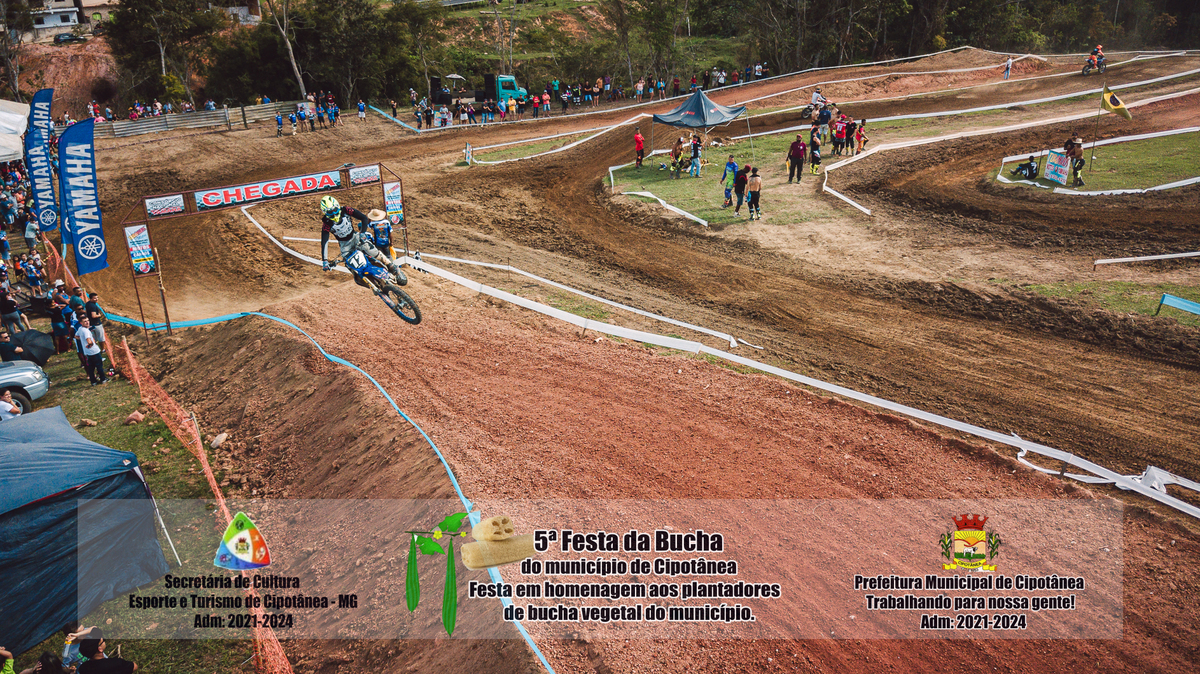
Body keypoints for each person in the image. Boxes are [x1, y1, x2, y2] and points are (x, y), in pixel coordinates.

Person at [318, 195, 405, 286]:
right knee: (351, 266)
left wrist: (362, 233)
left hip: (355, 237)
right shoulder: (326, 224)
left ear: (338, 207)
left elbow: (363, 218)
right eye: (330, 212)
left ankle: (393, 268)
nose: (334, 214)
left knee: (372, 251)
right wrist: (325, 260)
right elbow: (324, 242)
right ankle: (370, 285)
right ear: (325, 213)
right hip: (345, 245)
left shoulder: (346, 210)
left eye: (335, 210)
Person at [77, 315, 106, 385]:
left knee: (91, 367)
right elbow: (89, 341)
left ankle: (93, 381)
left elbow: (76, 336)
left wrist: (82, 340)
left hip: (87, 352)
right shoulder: (86, 331)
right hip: (94, 351)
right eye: (85, 321)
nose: (87, 322)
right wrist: (91, 344)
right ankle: (103, 379)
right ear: (81, 323)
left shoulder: (80, 329)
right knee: (99, 366)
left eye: (88, 320)